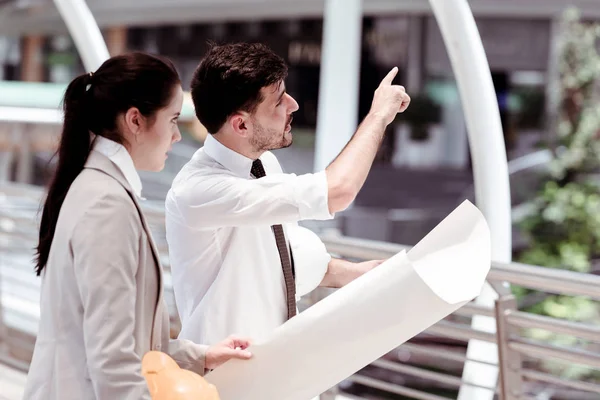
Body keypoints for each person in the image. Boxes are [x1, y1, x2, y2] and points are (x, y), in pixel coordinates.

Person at [23, 52, 252, 400]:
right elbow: (112, 362)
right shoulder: (107, 204)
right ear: (135, 120)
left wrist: (201, 356)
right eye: (173, 119)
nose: (176, 136)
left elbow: (125, 343)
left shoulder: (101, 189)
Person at [165, 43, 410, 347]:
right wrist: (378, 115)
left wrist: (360, 273)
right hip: (227, 381)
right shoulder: (198, 190)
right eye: (279, 101)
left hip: (276, 367)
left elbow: (284, 257)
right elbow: (339, 190)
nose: (293, 105)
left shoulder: (264, 163)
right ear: (241, 124)